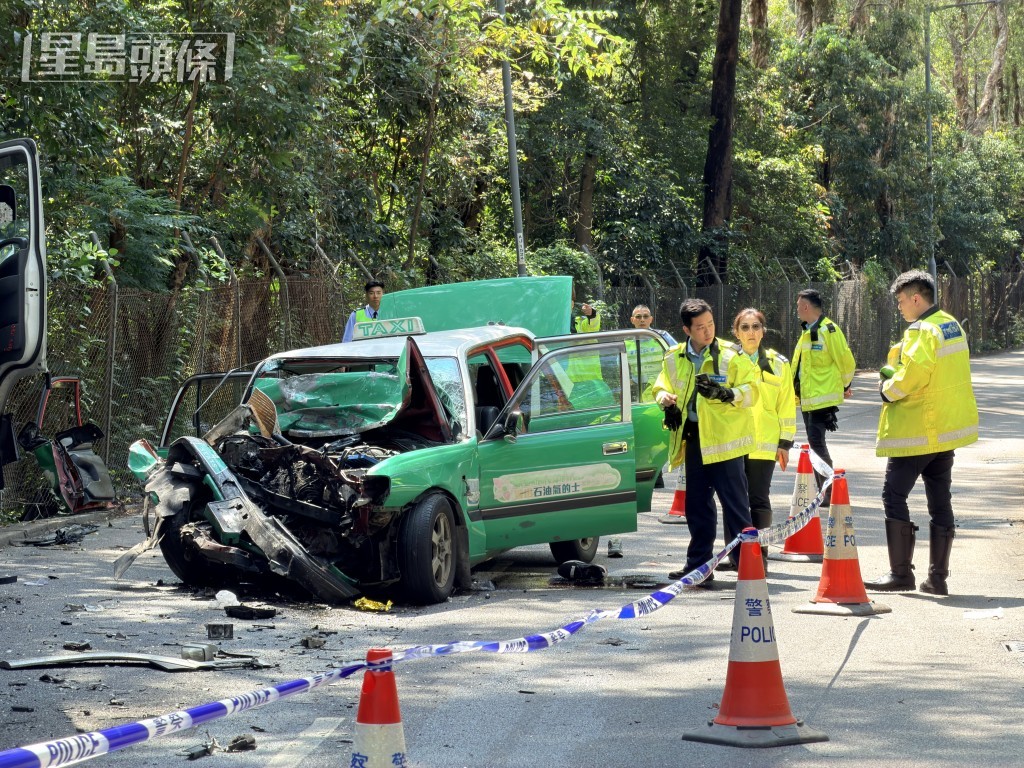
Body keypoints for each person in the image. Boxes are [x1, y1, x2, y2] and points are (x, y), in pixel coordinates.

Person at [864, 270, 978, 596]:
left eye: (901, 301)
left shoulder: (922, 331)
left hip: (919, 429)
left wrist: (887, 389)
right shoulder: (950, 324)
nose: (899, 307)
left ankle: (901, 574)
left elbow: (912, 375)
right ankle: (937, 579)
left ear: (916, 298)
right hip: (945, 431)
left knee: (892, 495)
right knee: (940, 502)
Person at [652, 299, 759, 582]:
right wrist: (665, 399)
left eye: (710, 324)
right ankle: (699, 565)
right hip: (695, 439)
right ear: (686, 329)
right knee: (697, 506)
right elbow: (661, 385)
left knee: (735, 506)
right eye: (700, 327)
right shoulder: (674, 357)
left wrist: (727, 394)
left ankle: (748, 566)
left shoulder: (730, 355)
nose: (707, 331)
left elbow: (753, 391)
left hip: (726, 442)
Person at [725, 308, 796, 571]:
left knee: (758, 499)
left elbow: (787, 405)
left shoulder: (779, 364)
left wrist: (785, 443)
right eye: (745, 327)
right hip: (733, 441)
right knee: (733, 499)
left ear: (763, 331)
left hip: (764, 444)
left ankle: (759, 556)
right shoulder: (729, 361)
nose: (751, 332)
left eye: (756, 327)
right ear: (736, 332)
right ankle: (733, 555)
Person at [792, 288, 856, 507]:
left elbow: (846, 361)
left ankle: (827, 492)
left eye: (799, 305)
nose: (797, 309)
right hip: (808, 399)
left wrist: (845, 385)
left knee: (817, 444)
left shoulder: (829, 330)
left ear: (807, 306)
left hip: (821, 399)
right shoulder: (807, 331)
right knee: (814, 443)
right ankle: (822, 490)